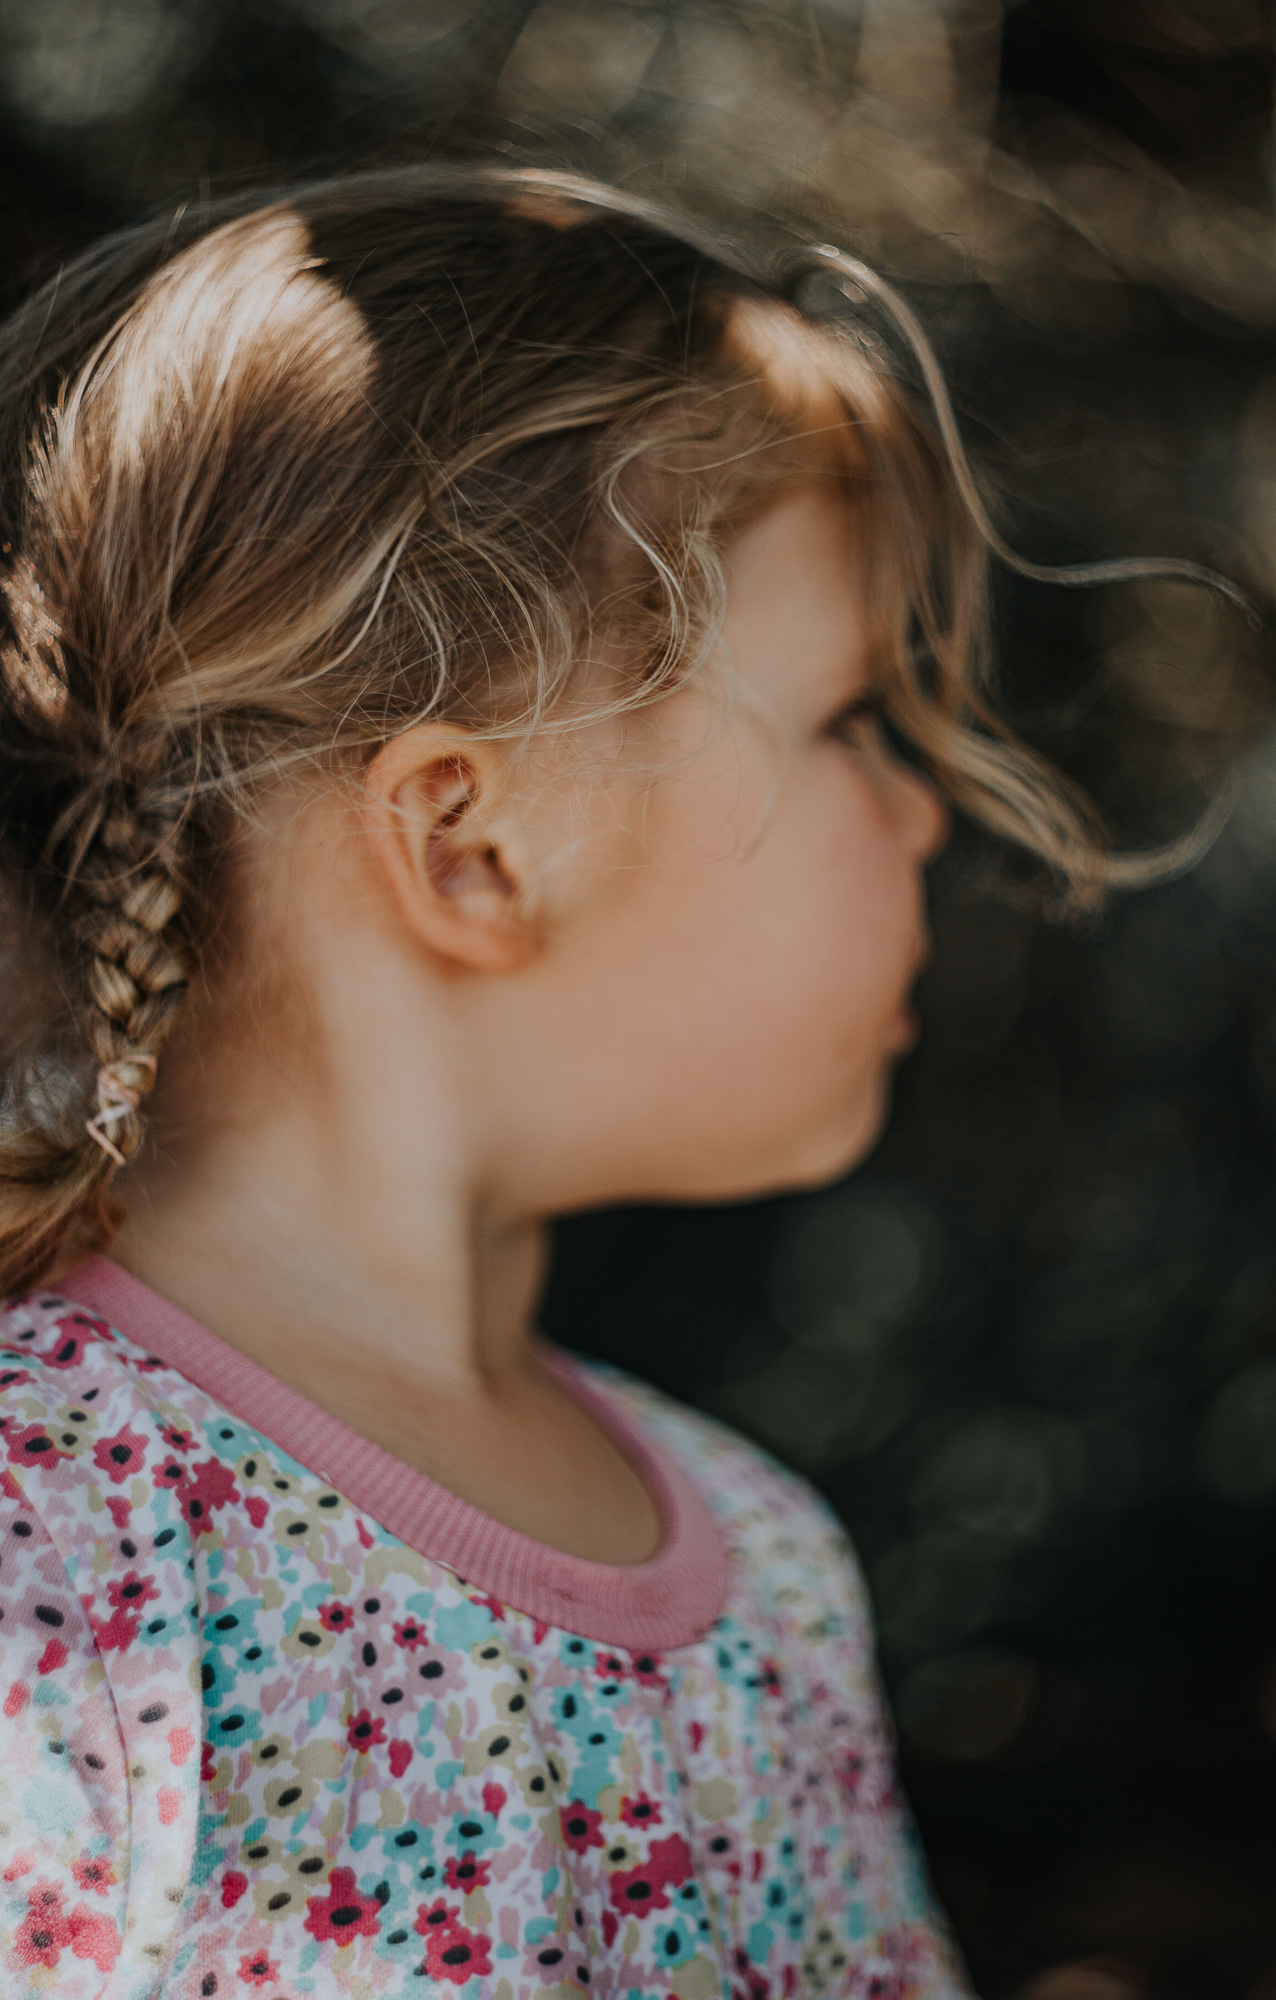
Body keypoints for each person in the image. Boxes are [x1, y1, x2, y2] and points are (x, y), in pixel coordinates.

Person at [0, 165, 1163, 1999]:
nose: (928, 808)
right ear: (471, 842)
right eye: (852, 717)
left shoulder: (767, 1566)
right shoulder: (43, 1533)